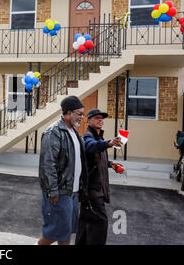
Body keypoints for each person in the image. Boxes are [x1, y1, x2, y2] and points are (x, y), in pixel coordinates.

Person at [37, 95, 88, 245]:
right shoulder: (53, 132)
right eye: (79, 113)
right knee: (54, 233)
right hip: (59, 192)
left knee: (66, 233)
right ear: (68, 112)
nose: (81, 117)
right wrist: (52, 190)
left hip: (72, 192)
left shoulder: (74, 132)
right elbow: (47, 164)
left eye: (83, 114)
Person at [75, 108, 125, 245]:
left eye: (101, 118)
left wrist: (111, 164)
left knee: (85, 223)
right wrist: (109, 143)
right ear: (89, 120)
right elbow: (91, 147)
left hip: (95, 192)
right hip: (92, 192)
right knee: (100, 224)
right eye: (96, 118)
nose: (100, 120)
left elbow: (95, 159)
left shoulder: (99, 138)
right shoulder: (87, 137)